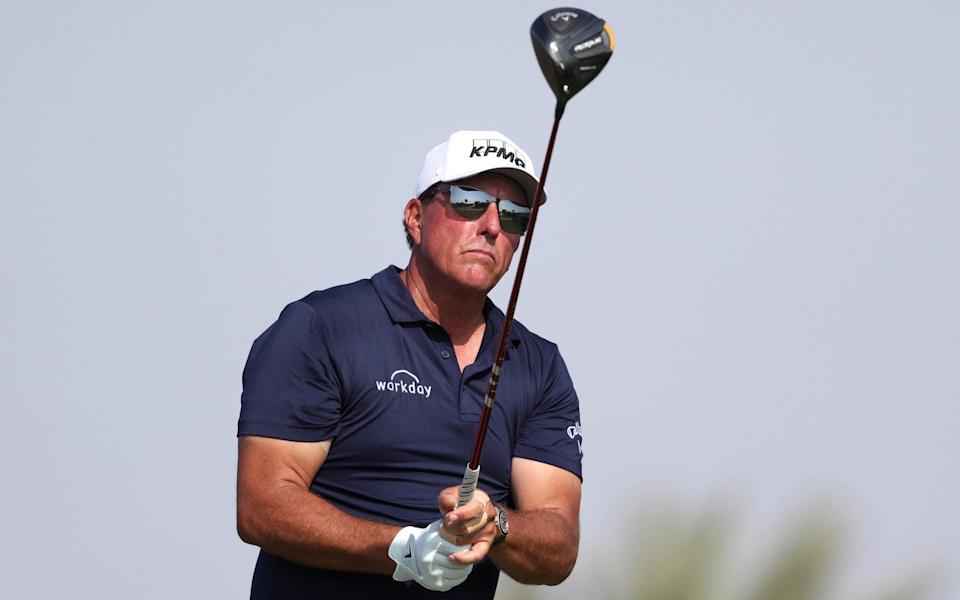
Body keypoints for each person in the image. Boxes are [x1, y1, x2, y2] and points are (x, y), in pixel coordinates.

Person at [236, 130, 584, 598]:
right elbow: (261, 505)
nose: (492, 225)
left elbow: (557, 546)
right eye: (468, 201)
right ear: (416, 217)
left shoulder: (538, 364)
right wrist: (401, 549)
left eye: (514, 215)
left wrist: (494, 522)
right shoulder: (322, 327)